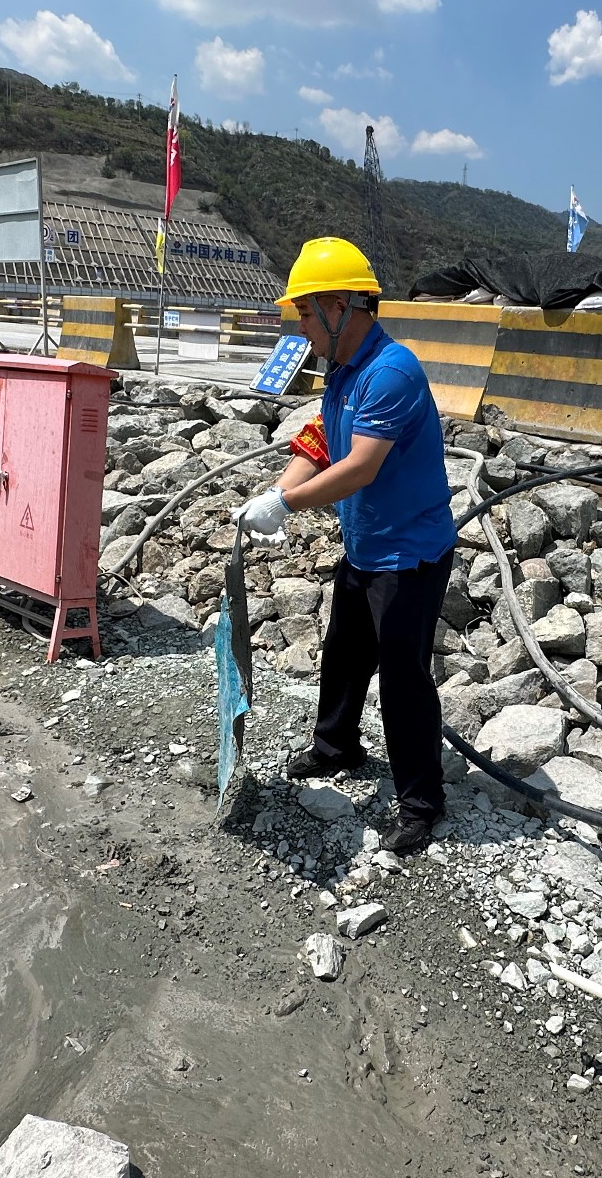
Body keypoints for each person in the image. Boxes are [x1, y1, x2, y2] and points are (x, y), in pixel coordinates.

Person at [234, 237, 457, 855]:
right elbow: (318, 441)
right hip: (366, 546)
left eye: (307, 312)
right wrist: (276, 491)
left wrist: (286, 506)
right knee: (344, 654)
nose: (301, 325)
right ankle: (336, 748)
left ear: (341, 307)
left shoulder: (391, 372)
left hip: (409, 555)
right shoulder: (342, 370)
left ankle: (421, 801)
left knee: (403, 680)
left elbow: (359, 467)